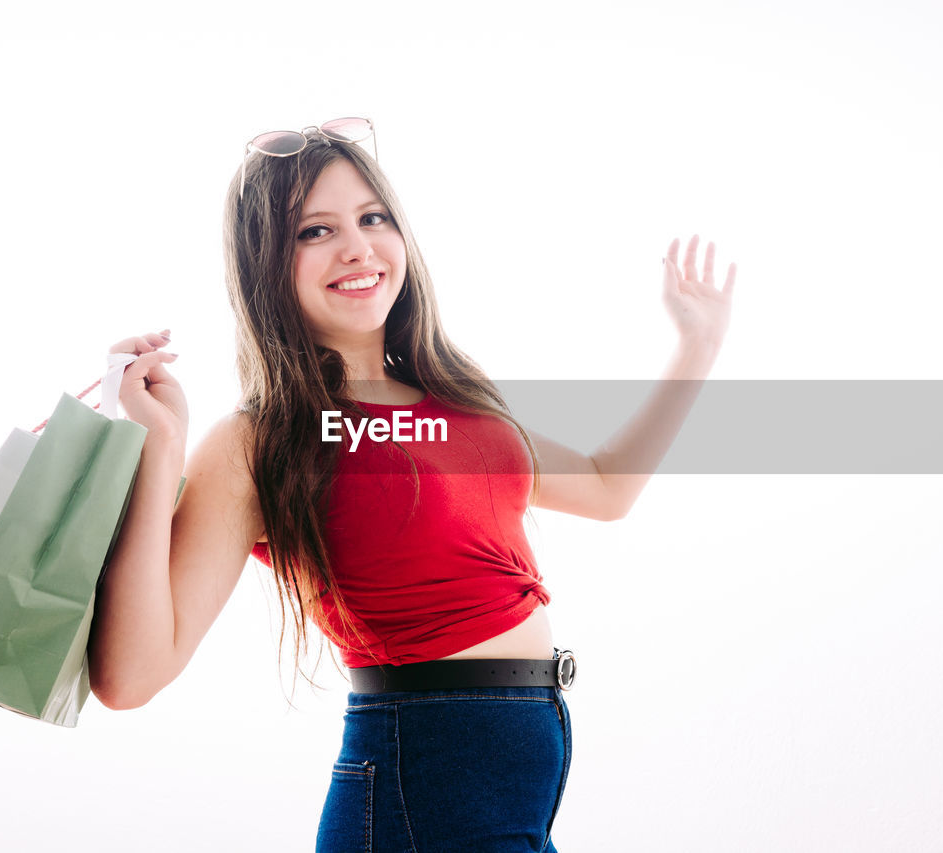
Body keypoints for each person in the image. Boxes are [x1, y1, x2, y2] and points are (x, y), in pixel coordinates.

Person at [88, 118, 736, 852]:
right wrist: (158, 445)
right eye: (315, 231)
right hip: (418, 793)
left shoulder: (457, 399)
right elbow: (130, 675)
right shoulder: (260, 440)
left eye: (373, 218)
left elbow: (605, 486)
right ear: (266, 264)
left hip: (509, 790)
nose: (357, 246)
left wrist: (697, 347)